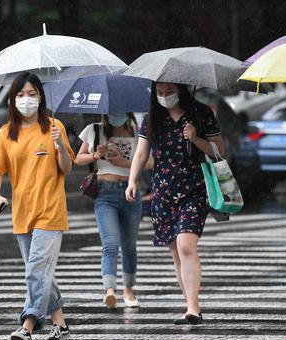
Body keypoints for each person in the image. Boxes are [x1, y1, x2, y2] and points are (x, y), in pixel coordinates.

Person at [0, 71, 75, 340]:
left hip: (50, 211)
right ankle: (60, 326)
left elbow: (67, 168)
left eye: (32, 94)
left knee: (36, 270)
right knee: (39, 271)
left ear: (41, 97)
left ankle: (27, 325)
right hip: (22, 213)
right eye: (21, 94)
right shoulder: (6, 133)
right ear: (12, 100)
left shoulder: (54, 126)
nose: (26, 99)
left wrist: (60, 145)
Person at [125, 82, 224, 324]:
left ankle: (193, 308)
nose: (164, 97)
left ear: (180, 89)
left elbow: (219, 150)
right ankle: (191, 306)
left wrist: (196, 138)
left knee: (186, 245)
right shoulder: (153, 117)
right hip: (164, 191)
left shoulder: (201, 113)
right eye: (159, 93)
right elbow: (141, 153)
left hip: (195, 189)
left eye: (169, 92)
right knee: (177, 254)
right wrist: (132, 181)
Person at [76, 113, 144, 309]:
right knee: (110, 243)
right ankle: (110, 291)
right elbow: (78, 158)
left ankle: (129, 291)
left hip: (131, 191)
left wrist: (124, 163)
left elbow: (150, 162)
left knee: (129, 245)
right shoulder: (94, 130)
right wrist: (95, 155)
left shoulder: (138, 131)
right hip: (105, 192)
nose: (117, 113)